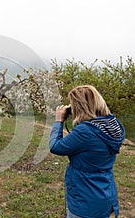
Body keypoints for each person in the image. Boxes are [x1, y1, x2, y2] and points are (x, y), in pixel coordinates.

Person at [49, 85, 125, 218]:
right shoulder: (112, 125)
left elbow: (55, 146)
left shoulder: (86, 131)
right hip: (104, 193)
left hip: (85, 200)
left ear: (79, 106)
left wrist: (58, 121)